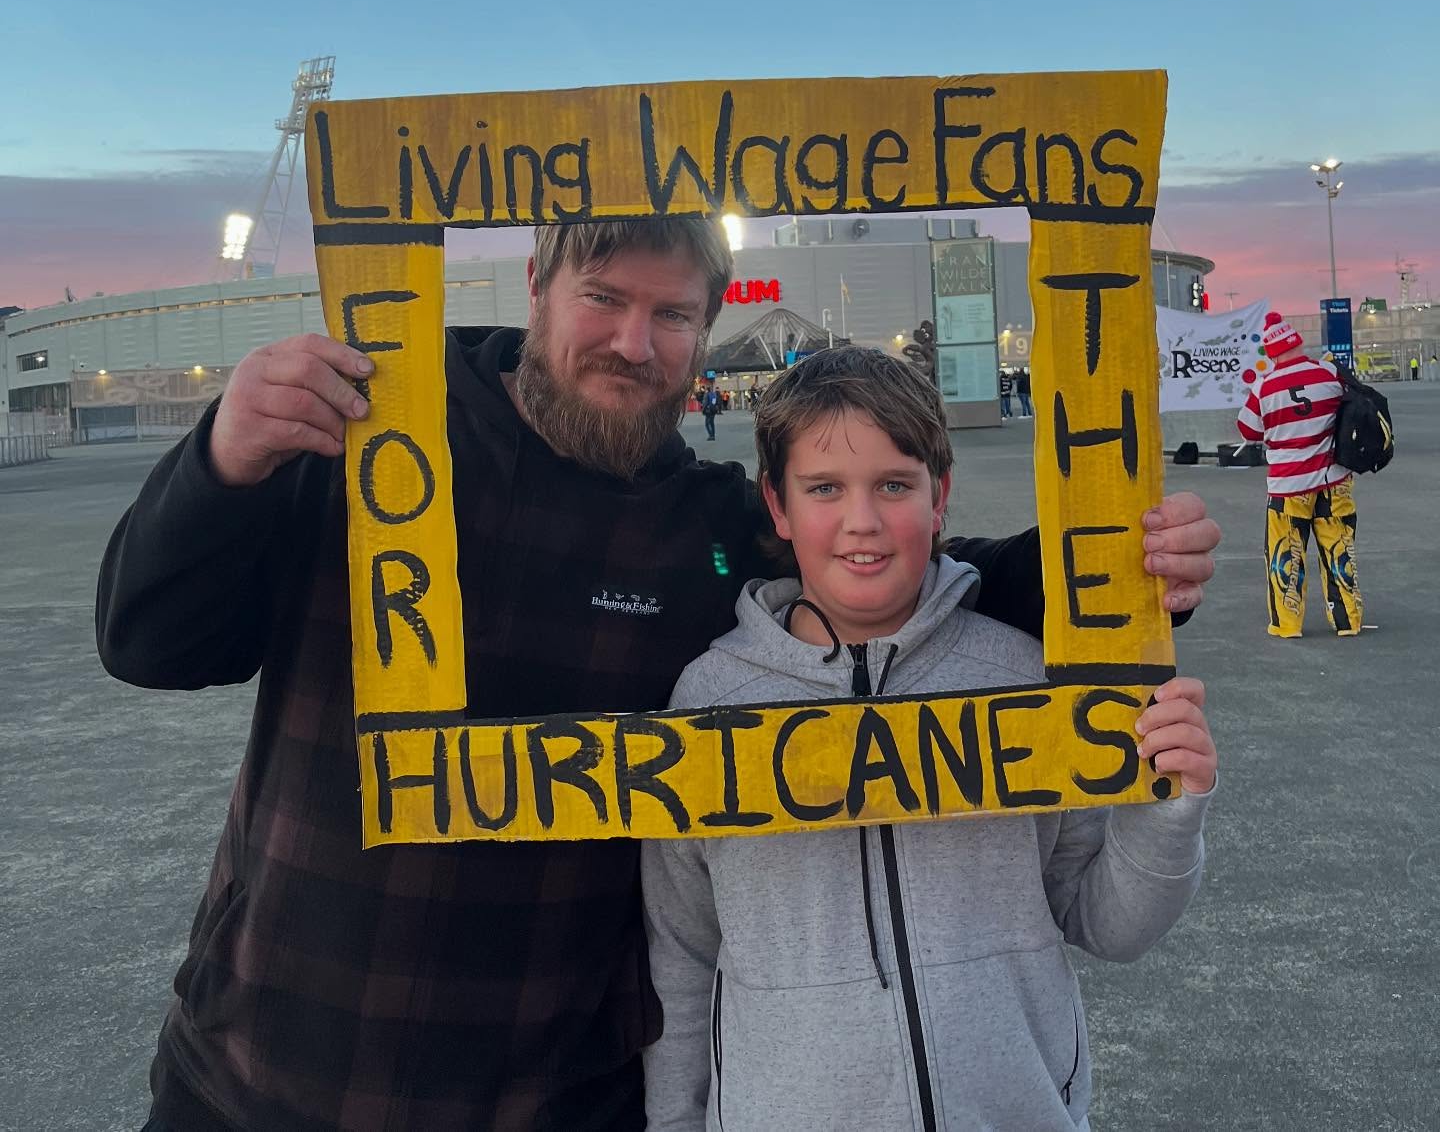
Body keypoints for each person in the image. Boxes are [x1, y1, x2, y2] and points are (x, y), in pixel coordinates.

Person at [97, 219, 1219, 1132]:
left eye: (672, 314)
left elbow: (890, 563)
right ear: (538, 283)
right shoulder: (379, 442)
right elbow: (150, 644)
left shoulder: (713, 529)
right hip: (271, 1069)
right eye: (606, 298)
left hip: (553, 1091)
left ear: (705, 326)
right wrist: (222, 460)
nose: (635, 343)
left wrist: (1117, 570)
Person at [643, 347, 1216, 1131]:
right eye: (824, 488)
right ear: (777, 507)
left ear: (939, 496)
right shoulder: (709, 701)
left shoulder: (1019, 674)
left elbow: (1106, 922)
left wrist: (1164, 808)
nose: (862, 520)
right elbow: (680, 954)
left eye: (894, 484)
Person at [1236, 311, 1362, 638]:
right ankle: (1348, 621)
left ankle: (1287, 624)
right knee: (1339, 551)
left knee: (1286, 557)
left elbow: (1247, 430)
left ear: (1271, 352)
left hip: (1288, 486)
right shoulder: (1328, 372)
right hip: (1334, 481)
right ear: (1297, 342)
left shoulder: (1264, 386)